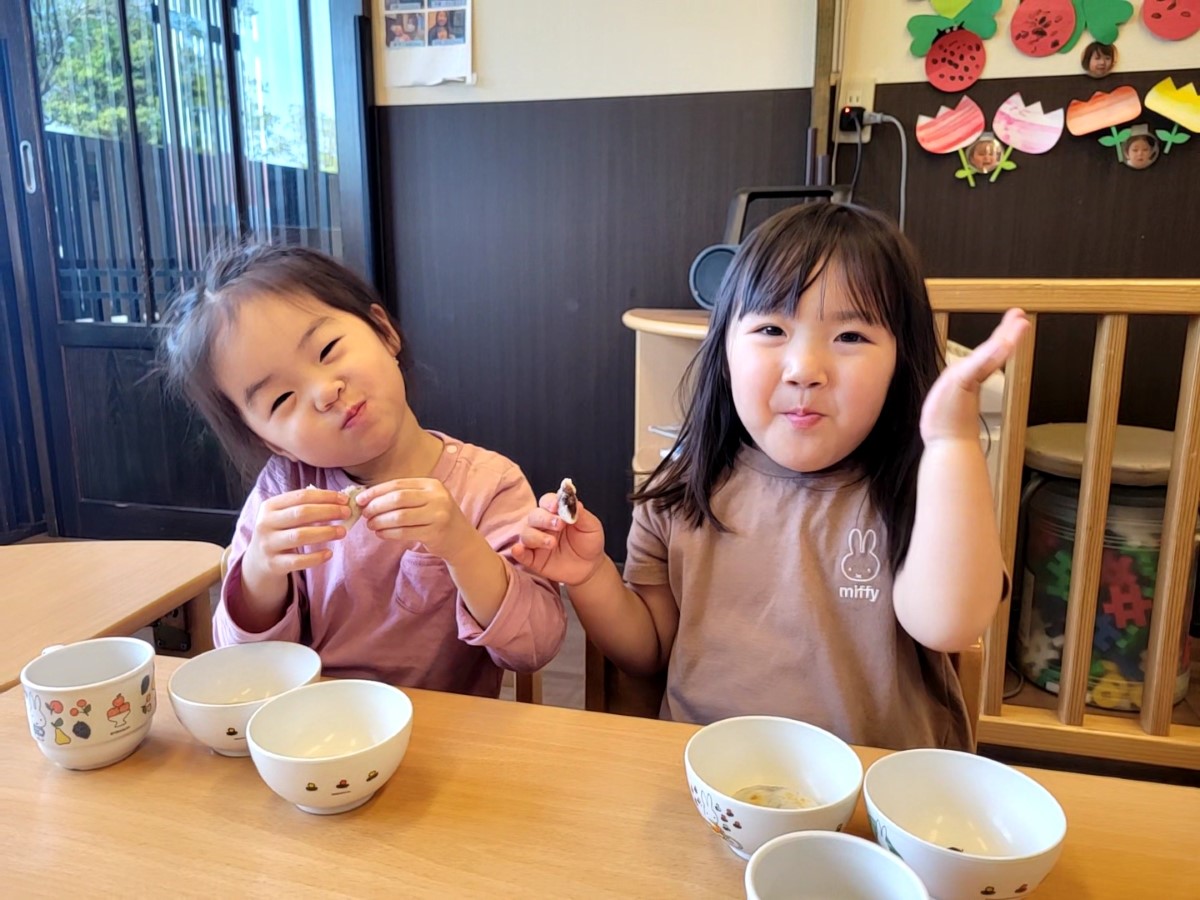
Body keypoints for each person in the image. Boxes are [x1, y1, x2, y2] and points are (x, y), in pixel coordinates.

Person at [514, 203, 1028, 750]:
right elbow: (650, 651)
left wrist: (951, 444)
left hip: (870, 787)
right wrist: (590, 575)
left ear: (902, 360)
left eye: (850, 336)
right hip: (710, 780)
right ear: (724, 352)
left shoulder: (920, 491)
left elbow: (950, 625)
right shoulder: (682, 491)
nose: (805, 369)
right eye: (771, 328)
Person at [158, 244, 566, 697]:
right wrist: (261, 571)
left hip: (445, 729)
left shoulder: (488, 485)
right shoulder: (282, 492)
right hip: (314, 722)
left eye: (327, 350)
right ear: (270, 441)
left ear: (384, 332)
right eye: (281, 399)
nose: (325, 393)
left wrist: (462, 547)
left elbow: (534, 647)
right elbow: (243, 666)